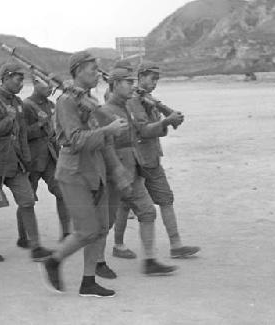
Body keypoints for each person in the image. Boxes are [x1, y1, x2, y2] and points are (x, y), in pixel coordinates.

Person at [41, 52, 129, 296]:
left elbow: (102, 139)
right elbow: (76, 140)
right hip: (73, 174)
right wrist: (108, 129)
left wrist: (116, 169)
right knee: (86, 230)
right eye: (92, 69)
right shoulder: (66, 102)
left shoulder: (87, 100)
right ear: (78, 70)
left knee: (100, 229)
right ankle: (52, 261)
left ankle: (88, 282)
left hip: (95, 172)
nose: (97, 73)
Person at [94, 66, 178, 275]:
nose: (133, 86)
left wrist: (164, 121)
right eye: (128, 82)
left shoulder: (126, 109)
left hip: (133, 170)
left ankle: (149, 260)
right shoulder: (104, 112)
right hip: (115, 174)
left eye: (133, 82)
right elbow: (103, 146)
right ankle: (97, 262)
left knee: (147, 211)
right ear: (114, 85)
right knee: (105, 221)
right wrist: (116, 174)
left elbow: (142, 132)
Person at [111, 62, 200, 260]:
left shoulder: (147, 99)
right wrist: (166, 121)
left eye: (157, 79)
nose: (155, 83)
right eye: (152, 78)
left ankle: (176, 244)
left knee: (166, 199)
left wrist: (165, 121)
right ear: (141, 77)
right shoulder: (133, 101)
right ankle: (119, 244)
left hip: (150, 157)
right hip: (135, 160)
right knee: (126, 205)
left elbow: (158, 130)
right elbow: (143, 129)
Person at [0, 63, 51, 262]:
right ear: (6, 78)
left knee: (27, 200)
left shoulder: (18, 103)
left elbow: (23, 134)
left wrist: (27, 161)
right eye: (18, 79)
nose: (21, 83)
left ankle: (36, 247)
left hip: (16, 163)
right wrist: (7, 122)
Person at [17, 77, 70, 247]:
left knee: (62, 193)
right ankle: (23, 237)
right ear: (35, 84)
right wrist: (40, 124)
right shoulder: (25, 106)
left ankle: (67, 232)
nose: (50, 88)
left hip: (51, 158)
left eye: (52, 85)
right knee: (27, 198)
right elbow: (21, 134)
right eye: (46, 84)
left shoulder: (51, 105)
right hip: (32, 160)